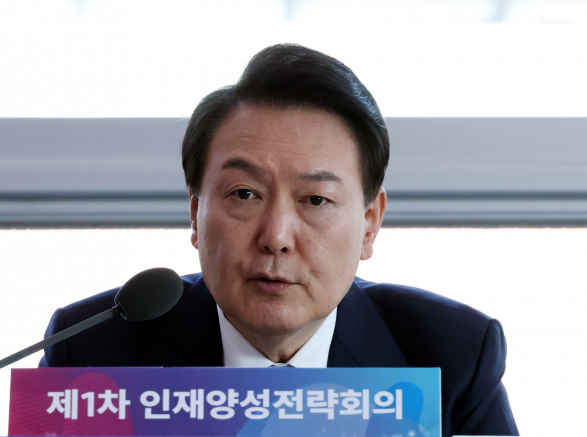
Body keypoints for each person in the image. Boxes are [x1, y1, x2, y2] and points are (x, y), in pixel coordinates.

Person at [40, 44, 518, 435]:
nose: (276, 237)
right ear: (195, 211)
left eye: (316, 200)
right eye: (244, 194)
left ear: (370, 223)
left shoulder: (449, 359)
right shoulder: (91, 356)